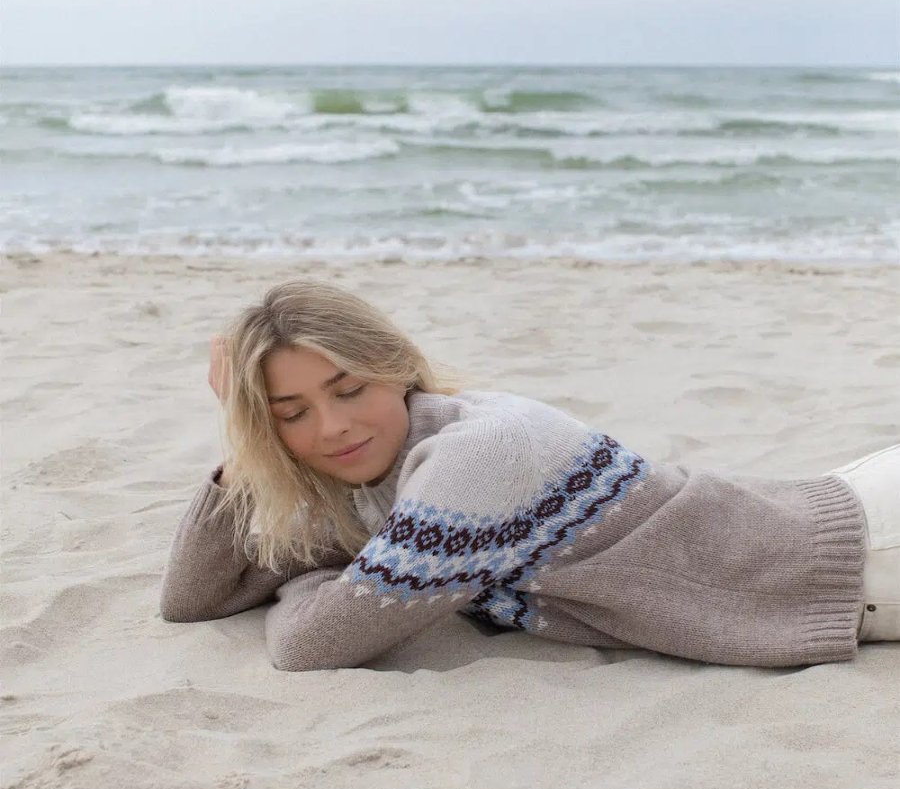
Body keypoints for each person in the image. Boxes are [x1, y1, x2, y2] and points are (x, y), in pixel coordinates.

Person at [159, 280, 900, 671]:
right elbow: (194, 599)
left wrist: (313, 585)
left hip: (866, 558)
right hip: (839, 535)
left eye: (349, 389)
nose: (332, 427)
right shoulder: (376, 476)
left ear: (394, 368)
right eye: (289, 413)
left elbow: (310, 645)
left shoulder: (474, 460)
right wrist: (242, 451)